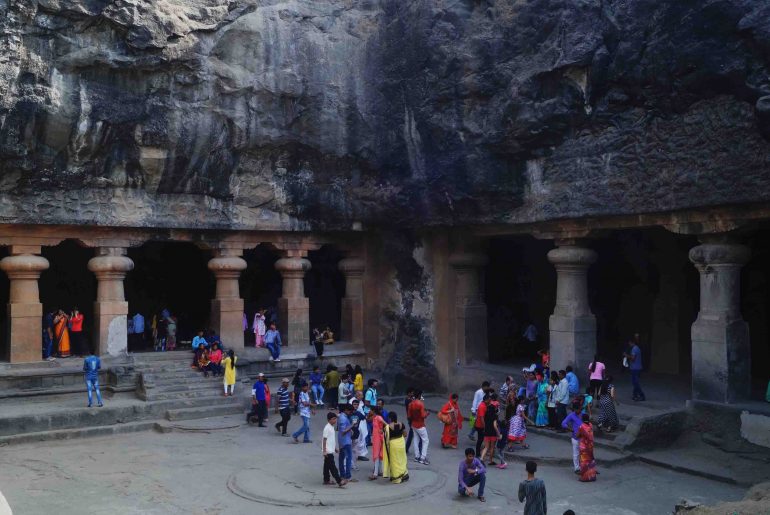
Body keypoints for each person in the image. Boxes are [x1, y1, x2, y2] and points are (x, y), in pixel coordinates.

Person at [382, 412, 409, 483]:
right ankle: (404, 474)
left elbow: (385, 438)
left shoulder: (387, 427)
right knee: (402, 459)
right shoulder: (401, 424)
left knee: (394, 461)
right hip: (401, 443)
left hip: (393, 445)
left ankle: (397, 478)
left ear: (390, 418)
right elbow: (405, 434)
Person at [322, 412, 347, 488]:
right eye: (333, 419)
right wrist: (324, 451)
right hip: (328, 451)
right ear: (329, 420)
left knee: (326, 466)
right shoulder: (327, 428)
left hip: (330, 450)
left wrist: (335, 448)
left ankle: (326, 480)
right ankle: (339, 481)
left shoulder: (331, 427)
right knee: (333, 467)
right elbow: (324, 440)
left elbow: (331, 440)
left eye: (335, 419)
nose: (335, 420)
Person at [408, 388, 430, 465]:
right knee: (426, 441)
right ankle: (422, 458)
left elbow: (409, 416)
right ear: (420, 395)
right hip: (420, 425)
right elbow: (423, 415)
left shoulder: (411, 404)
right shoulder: (420, 404)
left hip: (413, 424)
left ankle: (417, 456)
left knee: (416, 440)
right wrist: (427, 413)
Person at [561, 401, 584, 474]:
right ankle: (577, 468)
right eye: (579, 409)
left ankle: (583, 467)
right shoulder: (571, 415)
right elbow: (563, 423)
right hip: (575, 437)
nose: (580, 410)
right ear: (575, 409)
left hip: (583, 437)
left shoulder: (583, 414)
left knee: (583, 453)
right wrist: (571, 429)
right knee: (576, 453)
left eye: (581, 409)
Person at [480, 393, 500, 466]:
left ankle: (481, 458)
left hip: (486, 431)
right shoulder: (495, 416)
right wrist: (498, 434)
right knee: (492, 448)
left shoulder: (486, 414)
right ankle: (490, 461)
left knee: (486, 447)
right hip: (493, 433)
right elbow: (495, 425)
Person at [337, 403, 355, 482]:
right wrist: (352, 426)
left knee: (341, 458)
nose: (350, 414)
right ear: (346, 410)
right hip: (346, 441)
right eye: (350, 412)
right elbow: (343, 431)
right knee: (348, 458)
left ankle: (342, 475)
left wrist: (350, 429)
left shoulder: (341, 417)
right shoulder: (343, 418)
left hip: (342, 441)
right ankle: (347, 476)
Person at [577, 414, 597, 482]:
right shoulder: (591, 425)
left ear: (582, 419)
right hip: (590, 445)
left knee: (584, 461)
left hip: (584, 446)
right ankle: (592, 476)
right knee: (590, 460)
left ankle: (584, 478)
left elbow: (578, 435)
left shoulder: (581, 426)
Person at [369, 406, 387, 480]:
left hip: (378, 438)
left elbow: (386, 424)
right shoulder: (375, 417)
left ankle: (375, 473)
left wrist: (382, 430)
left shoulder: (378, 417)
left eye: (371, 410)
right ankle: (380, 471)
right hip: (376, 438)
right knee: (379, 455)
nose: (370, 411)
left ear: (373, 411)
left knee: (377, 455)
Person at [364, 378, 379, 445]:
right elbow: (366, 403)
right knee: (368, 427)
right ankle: (367, 441)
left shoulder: (374, 390)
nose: (377, 383)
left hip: (373, 411)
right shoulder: (369, 392)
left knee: (371, 426)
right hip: (368, 412)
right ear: (372, 384)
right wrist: (374, 407)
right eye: (375, 382)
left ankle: (368, 441)